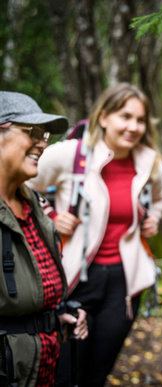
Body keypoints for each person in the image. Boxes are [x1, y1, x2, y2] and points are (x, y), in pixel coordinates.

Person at [27, 83, 162, 387]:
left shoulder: (149, 162)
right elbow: (22, 183)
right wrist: (50, 216)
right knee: (66, 372)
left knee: (99, 370)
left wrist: (154, 218)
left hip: (123, 283)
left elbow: (161, 197)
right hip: (73, 278)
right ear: (103, 117)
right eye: (125, 116)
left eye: (140, 120)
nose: (133, 127)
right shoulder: (70, 154)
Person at [0, 91, 88, 387]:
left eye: (45, 134)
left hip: (39, 371)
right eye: (32, 132)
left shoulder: (33, 205)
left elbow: (29, 290)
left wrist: (54, 316)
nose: (43, 142)